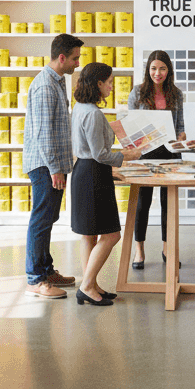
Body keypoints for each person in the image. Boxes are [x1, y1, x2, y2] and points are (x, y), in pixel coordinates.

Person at [70, 62, 142, 305]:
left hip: (86, 171)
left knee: (89, 234)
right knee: (112, 235)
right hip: (93, 173)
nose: (112, 87)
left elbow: (92, 151)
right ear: (98, 84)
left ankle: (91, 285)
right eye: (109, 82)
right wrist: (126, 156)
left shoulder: (80, 108)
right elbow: (100, 154)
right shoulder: (92, 113)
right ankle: (87, 286)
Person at [23, 33, 85, 300]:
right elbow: (43, 132)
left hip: (54, 163)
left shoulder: (58, 82)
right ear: (62, 58)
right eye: (74, 58)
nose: (77, 63)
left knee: (49, 218)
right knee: (41, 219)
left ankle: (46, 271)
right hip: (45, 165)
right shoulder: (45, 86)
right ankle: (36, 279)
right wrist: (55, 168)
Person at [126, 50, 187, 270]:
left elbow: (180, 127)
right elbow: (130, 125)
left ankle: (166, 247)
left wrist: (181, 137)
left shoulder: (177, 94)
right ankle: (139, 250)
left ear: (168, 70)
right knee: (142, 202)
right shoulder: (137, 92)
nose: (157, 73)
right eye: (153, 68)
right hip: (144, 154)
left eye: (162, 68)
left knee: (168, 202)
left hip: (169, 153)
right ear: (147, 70)